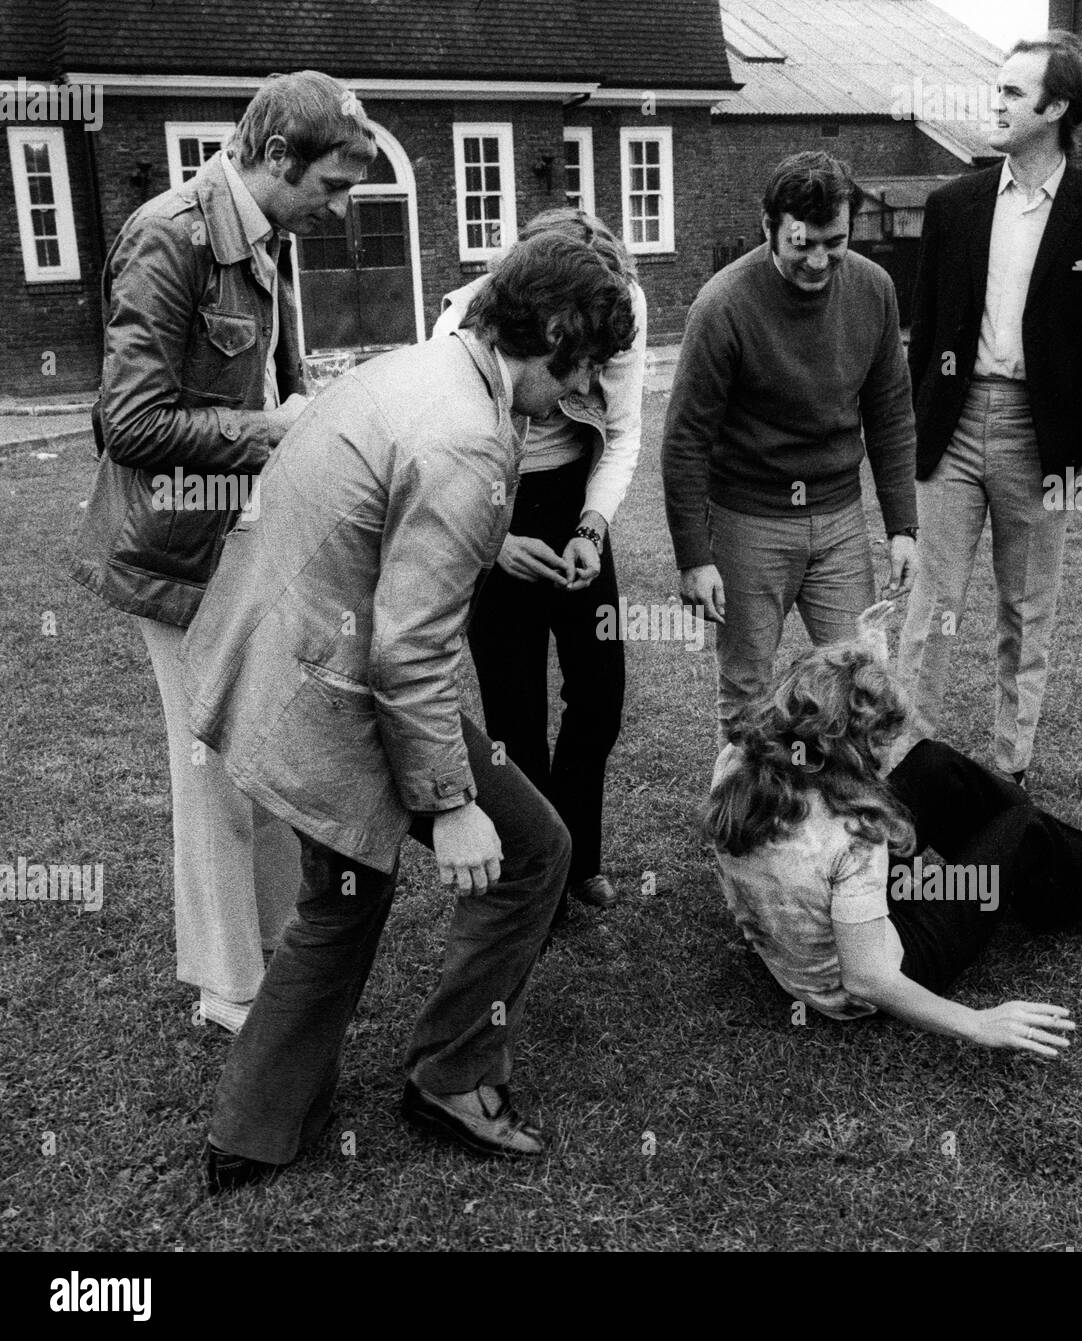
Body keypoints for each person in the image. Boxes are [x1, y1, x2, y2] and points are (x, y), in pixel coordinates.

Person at [179, 231, 635, 1192]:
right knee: (531, 848)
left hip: (293, 659)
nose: (587, 389)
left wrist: (490, 545)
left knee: (344, 895)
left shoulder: (432, 365)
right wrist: (452, 799)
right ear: (550, 330)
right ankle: (450, 1077)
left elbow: (390, 538)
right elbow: (409, 649)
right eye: (586, 363)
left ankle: (256, 1127)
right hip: (336, 684)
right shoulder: (467, 434)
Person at [69, 71, 377, 1033]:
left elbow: (270, 382)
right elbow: (128, 423)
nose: (335, 210)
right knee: (208, 761)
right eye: (330, 184)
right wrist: (271, 429)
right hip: (171, 553)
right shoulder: (172, 235)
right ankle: (226, 986)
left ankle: (277, 941)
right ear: (276, 158)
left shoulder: (268, 236)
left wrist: (308, 404)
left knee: (262, 750)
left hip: (243, 541)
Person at [704, 616, 1082, 1049]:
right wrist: (978, 1023)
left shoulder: (739, 760)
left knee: (933, 764)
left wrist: (863, 661)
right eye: (876, 741)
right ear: (846, 744)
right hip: (869, 976)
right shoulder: (855, 835)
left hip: (796, 951)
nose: (883, 752)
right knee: (1021, 829)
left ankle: (1060, 858)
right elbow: (868, 978)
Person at [896, 32, 1082, 786]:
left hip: (1044, 441)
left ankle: (1010, 774)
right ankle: (903, 769)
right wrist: (920, 426)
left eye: (1011, 91)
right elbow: (928, 330)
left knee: (1026, 612)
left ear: (1057, 106)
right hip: (955, 425)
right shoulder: (954, 204)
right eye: (995, 89)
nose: (995, 103)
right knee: (930, 608)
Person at [433, 209, 648, 922]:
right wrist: (492, 544)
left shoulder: (621, 305)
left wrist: (591, 528)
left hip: (571, 499)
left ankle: (576, 856)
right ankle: (534, 873)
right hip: (488, 502)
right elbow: (438, 458)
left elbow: (622, 433)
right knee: (513, 707)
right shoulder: (466, 320)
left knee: (599, 694)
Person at [662, 151, 918, 742]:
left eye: (836, 241)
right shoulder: (722, 304)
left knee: (863, 683)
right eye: (802, 243)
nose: (820, 259)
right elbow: (685, 441)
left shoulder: (875, 289)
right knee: (749, 692)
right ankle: (741, 828)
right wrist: (694, 558)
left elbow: (890, 413)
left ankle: (852, 822)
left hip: (838, 519)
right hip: (749, 519)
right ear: (769, 226)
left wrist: (903, 525)